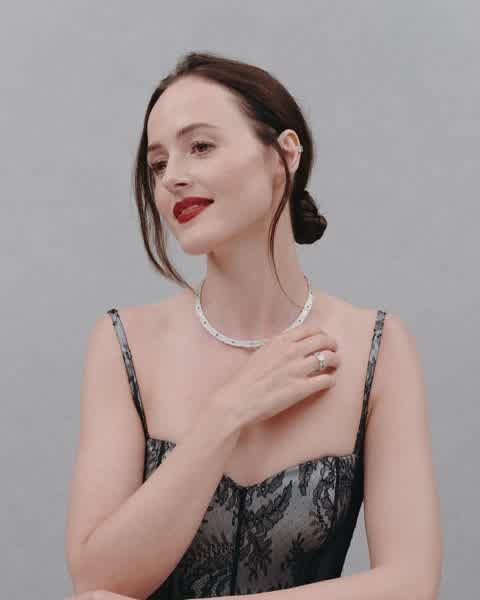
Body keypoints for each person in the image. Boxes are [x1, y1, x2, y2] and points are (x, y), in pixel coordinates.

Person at [64, 52, 442, 600]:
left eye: (200, 146)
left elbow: (411, 584)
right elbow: (97, 580)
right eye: (158, 164)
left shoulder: (377, 349)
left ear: (284, 155)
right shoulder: (124, 344)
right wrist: (228, 412)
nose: (173, 178)